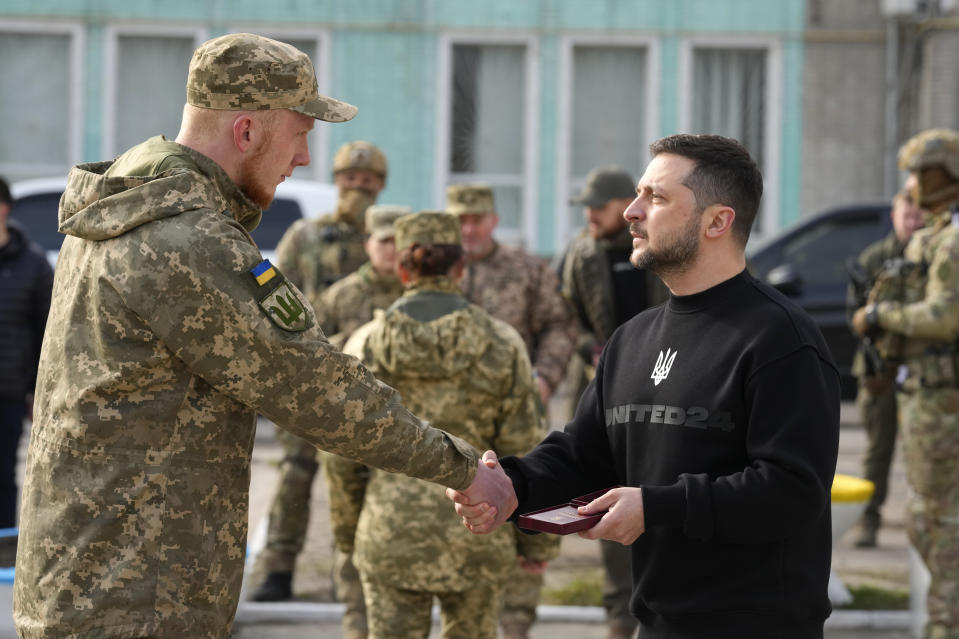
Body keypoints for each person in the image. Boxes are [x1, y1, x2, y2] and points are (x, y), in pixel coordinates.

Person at [12, 33, 512, 639]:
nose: (303, 158)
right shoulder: (186, 242)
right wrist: (464, 468)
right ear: (246, 131)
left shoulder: (122, 215)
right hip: (136, 595)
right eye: (299, 134)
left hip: (102, 577)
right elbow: (316, 388)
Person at [451, 133, 841, 638]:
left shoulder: (781, 339)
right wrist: (511, 485)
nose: (632, 211)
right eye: (638, 194)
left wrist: (656, 507)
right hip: (656, 624)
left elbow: (793, 489)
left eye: (655, 197)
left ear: (717, 221)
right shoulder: (633, 339)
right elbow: (583, 456)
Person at [339, 211, 557, 639]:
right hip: (479, 527)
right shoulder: (502, 342)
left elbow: (343, 459)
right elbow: (525, 446)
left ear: (402, 269)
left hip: (389, 533)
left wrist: (348, 536)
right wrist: (536, 541)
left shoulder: (364, 344)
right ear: (461, 268)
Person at [251, 138, 389, 603]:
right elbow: (272, 293)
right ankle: (278, 569)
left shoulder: (386, 242)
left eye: (368, 183)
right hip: (306, 383)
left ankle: (345, 573)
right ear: (337, 181)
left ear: (381, 187)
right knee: (295, 474)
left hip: (367, 387)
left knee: (358, 479)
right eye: (351, 180)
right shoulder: (306, 237)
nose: (358, 189)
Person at [446, 184, 572, 639]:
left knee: (524, 505)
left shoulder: (526, 269)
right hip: (456, 424)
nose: (469, 228)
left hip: (517, 416)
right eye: (460, 219)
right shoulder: (440, 270)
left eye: (477, 219)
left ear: (494, 220)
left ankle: (517, 624)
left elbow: (559, 325)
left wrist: (544, 378)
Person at [851, 128, 959, 638]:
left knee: (940, 523)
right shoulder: (931, 233)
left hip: (944, 401)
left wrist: (881, 314)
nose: (914, 184)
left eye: (921, 173)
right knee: (926, 518)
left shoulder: (953, 237)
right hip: (924, 396)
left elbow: (944, 317)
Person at [558, 165, 669, 639]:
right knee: (605, 497)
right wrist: (592, 349)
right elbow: (567, 318)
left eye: (597, 207)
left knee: (660, 493)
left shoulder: (659, 250)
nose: (590, 216)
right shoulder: (579, 256)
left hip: (664, 385)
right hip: (604, 388)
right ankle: (620, 617)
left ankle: (660, 603)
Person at [315, 204, 407, 639]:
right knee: (351, 546)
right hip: (352, 435)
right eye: (383, 240)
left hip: (407, 438)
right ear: (368, 243)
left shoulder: (419, 295)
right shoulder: (342, 295)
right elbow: (310, 354)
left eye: (398, 240)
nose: (391, 250)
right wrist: (354, 343)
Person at [845, 187, 925, 548]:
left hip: (927, 372)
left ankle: (926, 522)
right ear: (894, 216)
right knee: (878, 451)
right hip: (881, 371)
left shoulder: (939, 256)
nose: (913, 221)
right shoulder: (873, 258)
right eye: (907, 215)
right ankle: (870, 519)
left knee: (927, 450)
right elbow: (854, 317)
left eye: (919, 215)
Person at [0, 177, 53, 529]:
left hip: (8, 390)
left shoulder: (33, 265)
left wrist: (38, 390)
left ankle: (3, 546)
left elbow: (46, 334)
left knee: (3, 475)